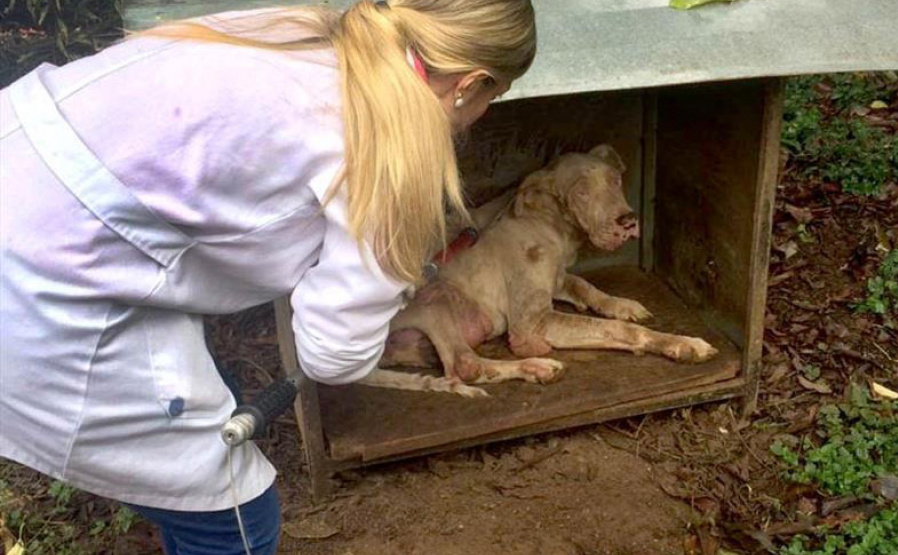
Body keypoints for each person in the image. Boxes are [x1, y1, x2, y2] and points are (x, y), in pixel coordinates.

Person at [0, 1, 537, 553]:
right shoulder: (391, 147)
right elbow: (331, 354)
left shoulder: (296, 26)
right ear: (470, 86)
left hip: (18, 152)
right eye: (494, 98)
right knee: (233, 518)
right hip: (43, 280)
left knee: (204, 427)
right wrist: (393, 288)